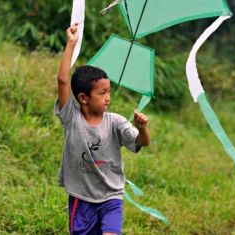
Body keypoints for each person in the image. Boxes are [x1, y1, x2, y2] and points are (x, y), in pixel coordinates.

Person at [54, 23, 150, 235]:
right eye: (101, 93)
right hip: (82, 198)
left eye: (109, 91)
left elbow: (141, 142)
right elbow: (62, 81)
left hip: (111, 197)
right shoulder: (71, 117)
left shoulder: (115, 121)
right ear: (83, 98)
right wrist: (71, 43)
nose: (108, 97)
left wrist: (142, 129)